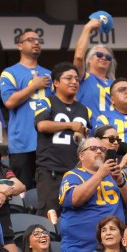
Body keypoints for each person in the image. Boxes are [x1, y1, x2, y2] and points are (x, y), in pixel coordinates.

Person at [58, 137, 127, 252]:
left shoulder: (113, 176)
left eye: (102, 149)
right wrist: (99, 175)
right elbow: (74, 199)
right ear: (81, 155)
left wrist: (120, 181)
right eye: (93, 149)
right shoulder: (72, 175)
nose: (99, 152)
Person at [34, 63, 93, 217]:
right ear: (56, 83)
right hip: (51, 172)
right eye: (68, 78)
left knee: (77, 216)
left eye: (76, 79)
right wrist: (70, 125)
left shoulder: (85, 110)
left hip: (76, 173)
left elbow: (92, 137)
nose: (74, 81)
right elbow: (41, 125)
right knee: (50, 217)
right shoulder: (47, 102)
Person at [0, 29, 51, 188]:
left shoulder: (50, 74)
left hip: (48, 143)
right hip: (22, 144)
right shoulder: (10, 73)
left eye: (38, 40)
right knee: (22, 192)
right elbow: (9, 102)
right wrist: (34, 85)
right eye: (30, 39)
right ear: (19, 45)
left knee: (47, 191)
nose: (36, 42)